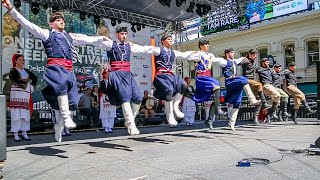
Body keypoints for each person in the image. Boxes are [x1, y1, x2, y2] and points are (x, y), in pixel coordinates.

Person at [2, 0, 107, 142]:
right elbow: (28, 24)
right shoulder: (47, 34)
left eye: (62, 19)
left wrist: (101, 38)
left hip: (68, 71)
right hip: (55, 69)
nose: (61, 21)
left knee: (74, 102)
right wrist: (11, 9)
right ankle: (65, 119)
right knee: (62, 88)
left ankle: (59, 126)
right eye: (58, 20)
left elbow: (87, 39)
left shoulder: (70, 37)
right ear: (52, 24)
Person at [215, 48, 260, 131]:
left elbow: (242, 59)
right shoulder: (224, 62)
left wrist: (249, 56)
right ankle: (252, 99)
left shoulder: (235, 61)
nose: (234, 54)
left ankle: (231, 123)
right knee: (243, 79)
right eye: (232, 52)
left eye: (233, 52)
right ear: (227, 54)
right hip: (230, 81)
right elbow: (215, 60)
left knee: (237, 103)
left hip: (236, 84)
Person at [191, 39, 227, 130]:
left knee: (215, 99)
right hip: (201, 78)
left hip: (208, 78)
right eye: (205, 44)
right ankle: (218, 110)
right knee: (217, 84)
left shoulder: (210, 55)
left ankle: (209, 120)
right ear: (201, 46)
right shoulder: (197, 54)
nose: (207, 46)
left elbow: (218, 61)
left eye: (208, 44)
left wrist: (230, 62)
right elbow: (186, 56)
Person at [9, 54, 38, 141]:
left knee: (25, 114)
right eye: (20, 60)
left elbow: (35, 78)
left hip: (25, 95)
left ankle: (24, 132)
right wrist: (25, 82)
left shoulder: (27, 71)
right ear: (16, 61)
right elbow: (16, 79)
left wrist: (31, 87)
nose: (22, 61)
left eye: (23, 60)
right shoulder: (13, 70)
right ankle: (16, 133)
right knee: (16, 113)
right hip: (16, 95)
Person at [239, 49, 271, 124]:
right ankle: (264, 103)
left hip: (252, 81)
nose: (255, 57)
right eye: (254, 55)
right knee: (259, 84)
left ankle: (255, 118)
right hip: (246, 80)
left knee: (258, 99)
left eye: (256, 55)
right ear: (250, 54)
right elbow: (239, 63)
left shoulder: (252, 62)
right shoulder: (246, 60)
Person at [256, 58, 281, 123]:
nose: (268, 63)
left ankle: (269, 114)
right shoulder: (260, 69)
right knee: (277, 95)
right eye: (266, 62)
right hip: (265, 85)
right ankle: (272, 112)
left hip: (271, 86)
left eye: (268, 62)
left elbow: (274, 76)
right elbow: (257, 71)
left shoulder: (270, 70)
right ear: (263, 63)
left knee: (276, 100)